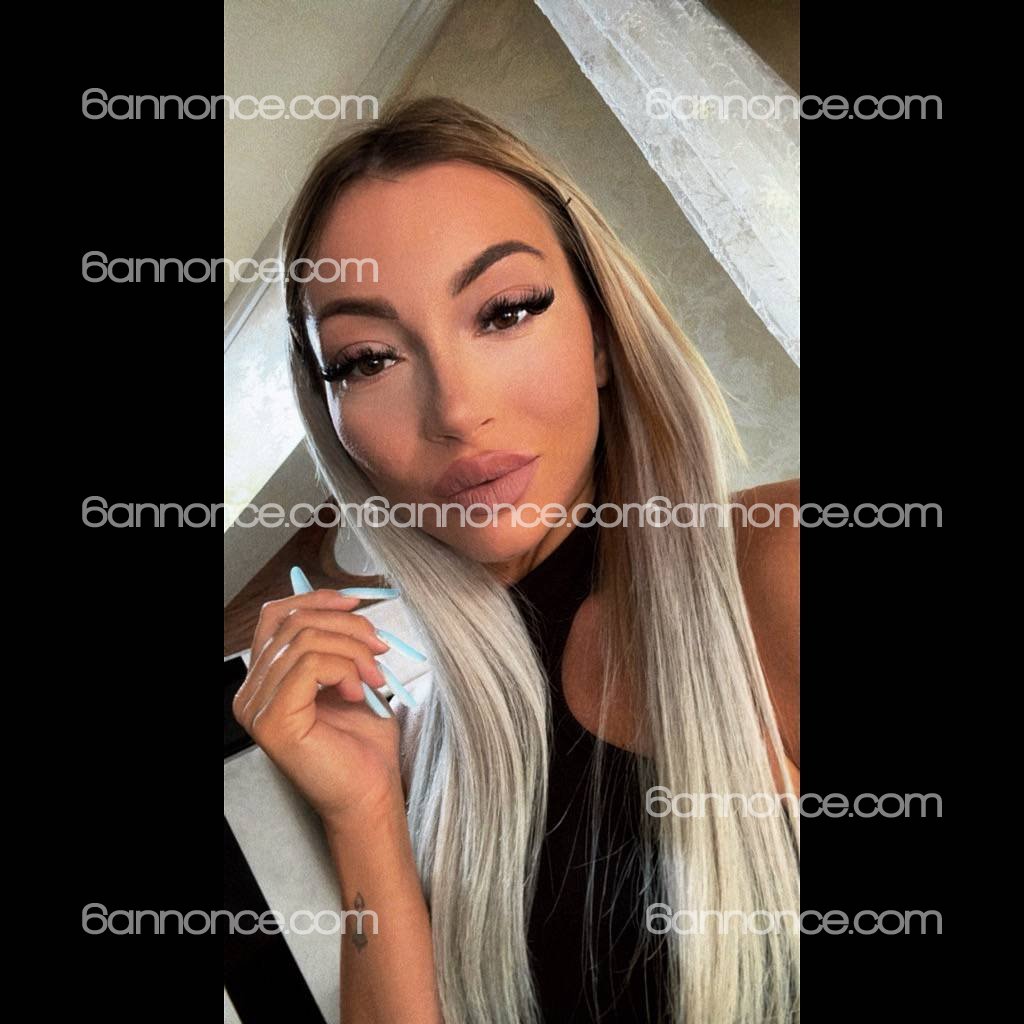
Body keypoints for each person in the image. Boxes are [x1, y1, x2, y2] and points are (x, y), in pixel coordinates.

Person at [233, 94, 800, 1023]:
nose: (457, 410)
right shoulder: (426, 754)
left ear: (602, 334)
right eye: (368, 359)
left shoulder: (776, 567)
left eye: (504, 311)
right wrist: (362, 815)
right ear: (335, 425)